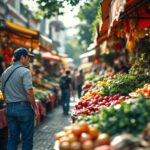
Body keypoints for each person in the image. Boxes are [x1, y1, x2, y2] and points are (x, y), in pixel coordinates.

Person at [1, 47, 39, 150]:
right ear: (22, 57)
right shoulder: (25, 72)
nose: (29, 60)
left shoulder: (5, 73)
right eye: (28, 58)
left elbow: (2, 91)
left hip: (10, 108)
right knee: (27, 139)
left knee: (12, 139)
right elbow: (29, 92)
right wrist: (35, 108)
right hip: (23, 109)